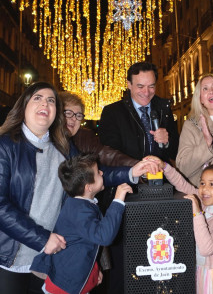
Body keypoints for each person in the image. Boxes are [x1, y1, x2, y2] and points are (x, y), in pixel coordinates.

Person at [0, 81, 159, 294]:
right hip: (12, 255)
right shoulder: (5, 146)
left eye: (51, 100)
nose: (44, 104)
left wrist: (132, 172)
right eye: (37, 98)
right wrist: (41, 238)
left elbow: (91, 177)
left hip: (54, 257)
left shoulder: (63, 147)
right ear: (24, 106)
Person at [31, 153, 133, 294]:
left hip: (74, 279)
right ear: (88, 187)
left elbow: (84, 243)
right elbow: (104, 236)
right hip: (66, 284)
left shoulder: (79, 204)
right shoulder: (79, 210)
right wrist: (118, 201)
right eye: (98, 173)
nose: (102, 173)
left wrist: (93, 270)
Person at [148, 156, 213, 294]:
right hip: (201, 272)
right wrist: (165, 167)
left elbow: (206, 248)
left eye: (211, 184)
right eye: (202, 183)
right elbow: (183, 185)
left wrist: (197, 213)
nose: (204, 189)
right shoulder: (205, 203)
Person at [98, 61, 179, 163]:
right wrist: (138, 169)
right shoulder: (112, 112)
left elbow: (177, 153)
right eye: (140, 86)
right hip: (129, 177)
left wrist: (167, 142)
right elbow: (109, 156)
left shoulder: (164, 109)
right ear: (129, 85)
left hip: (162, 176)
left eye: (151, 86)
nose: (146, 92)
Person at [60, 91, 137, 167]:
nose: (74, 119)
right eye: (68, 113)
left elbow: (107, 155)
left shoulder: (85, 137)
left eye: (78, 115)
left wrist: (137, 165)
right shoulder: (49, 140)